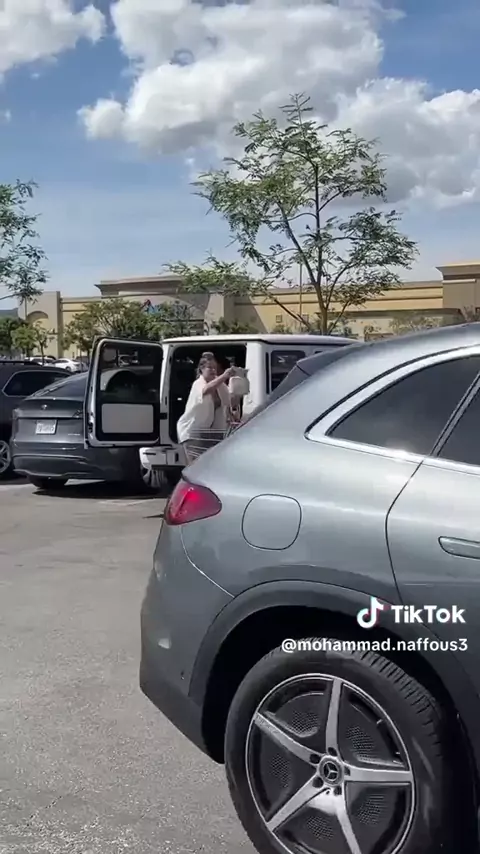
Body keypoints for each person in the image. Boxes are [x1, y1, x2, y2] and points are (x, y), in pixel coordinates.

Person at [177, 352, 235, 464]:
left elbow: (229, 400)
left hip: (210, 433)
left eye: (215, 368)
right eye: (210, 368)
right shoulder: (198, 384)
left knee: (210, 465)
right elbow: (206, 390)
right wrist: (224, 376)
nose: (213, 370)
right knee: (196, 466)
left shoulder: (220, 385)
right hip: (192, 431)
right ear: (201, 369)